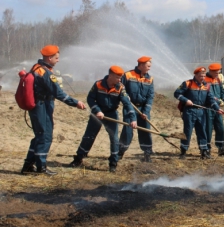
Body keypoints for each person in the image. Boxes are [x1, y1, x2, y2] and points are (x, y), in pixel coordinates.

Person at [21, 45, 86, 176]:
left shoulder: (36, 68)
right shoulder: (46, 73)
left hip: (39, 105)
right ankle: (41, 167)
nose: (58, 60)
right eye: (56, 58)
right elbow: (59, 93)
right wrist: (76, 103)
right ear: (49, 58)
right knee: (45, 136)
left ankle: (28, 165)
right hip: (42, 106)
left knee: (39, 136)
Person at [69, 66, 137, 172]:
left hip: (112, 114)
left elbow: (127, 104)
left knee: (114, 139)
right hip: (97, 114)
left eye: (120, 78)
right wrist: (97, 110)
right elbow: (90, 99)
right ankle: (79, 158)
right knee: (89, 136)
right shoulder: (98, 84)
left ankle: (113, 163)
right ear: (110, 75)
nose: (119, 80)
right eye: (117, 78)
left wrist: (133, 119)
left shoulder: (120, 88)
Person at [174, 67, 224, 159]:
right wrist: (186, 100)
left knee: (202, 131)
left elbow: (211, 99)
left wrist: (217, 108)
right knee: (187, 132)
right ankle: (183, 151)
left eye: (204, 75)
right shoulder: (187, 83)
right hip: (189, 111)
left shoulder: (207, 86)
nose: (203, 77)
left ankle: (204, 151)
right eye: (201, 75)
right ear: (196, 75)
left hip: (201, 112)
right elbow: (177, 94)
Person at [119, 56, 154, 162]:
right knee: (128, 130)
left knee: (146, 131)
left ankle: (147, 153)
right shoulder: (128, 75)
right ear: (141, 65)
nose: (149, 67)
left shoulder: (150, 79)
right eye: (148, 66)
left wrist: (146, 112)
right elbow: (120, 87)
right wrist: (125, 96)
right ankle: (120, 152)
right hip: (130, 106)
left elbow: (150, 96)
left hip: (143, 108)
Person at [204, 63, 224, 157]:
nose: (218, 73)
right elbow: (208, 95)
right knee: (208, 129)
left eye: (219, 72)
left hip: (218, 109)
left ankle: (221, 149)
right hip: (208, 108)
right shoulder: (204, 80)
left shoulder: (217, 79)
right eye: (217, 72)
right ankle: (206, 150)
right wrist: (216, 100)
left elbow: (222, 92)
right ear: (211, 71)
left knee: (220, 128)